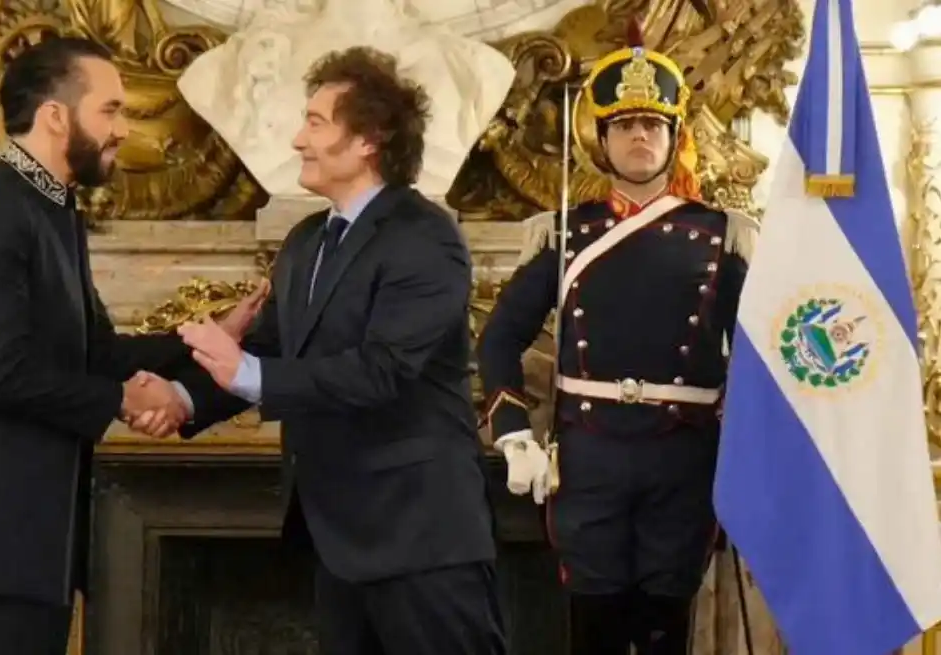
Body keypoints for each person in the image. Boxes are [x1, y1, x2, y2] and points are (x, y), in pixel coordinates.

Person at [0, 36, 265, 655]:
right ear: (54, 115)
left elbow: (96, 351)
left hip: (39, 522)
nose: (123, 129)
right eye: (110, 110)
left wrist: (206, 340)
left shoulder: (51, 206)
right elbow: (4, 372)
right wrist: (124, 401)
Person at [170, 46, 507, 655]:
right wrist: (176, 400)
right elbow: (271, 352)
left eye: (316, 122)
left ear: (369, 140)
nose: (298, 139)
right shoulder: (305, 241)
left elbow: (381, 372)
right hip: (337, 540)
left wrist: (245, 370)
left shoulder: (425, 238)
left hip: (421, 539)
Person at [475, 23, 757, 655]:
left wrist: (755, 445)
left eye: (652, 125)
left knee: (664, 624)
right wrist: (514, 429)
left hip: (683, 460)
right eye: (624, 125)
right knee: (594, 627)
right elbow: (498, 340)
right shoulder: (565, 234)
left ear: (672, 137)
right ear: (601, 139)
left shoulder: (723, 236)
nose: (638, 136)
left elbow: (760, 355)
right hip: (590, 457)